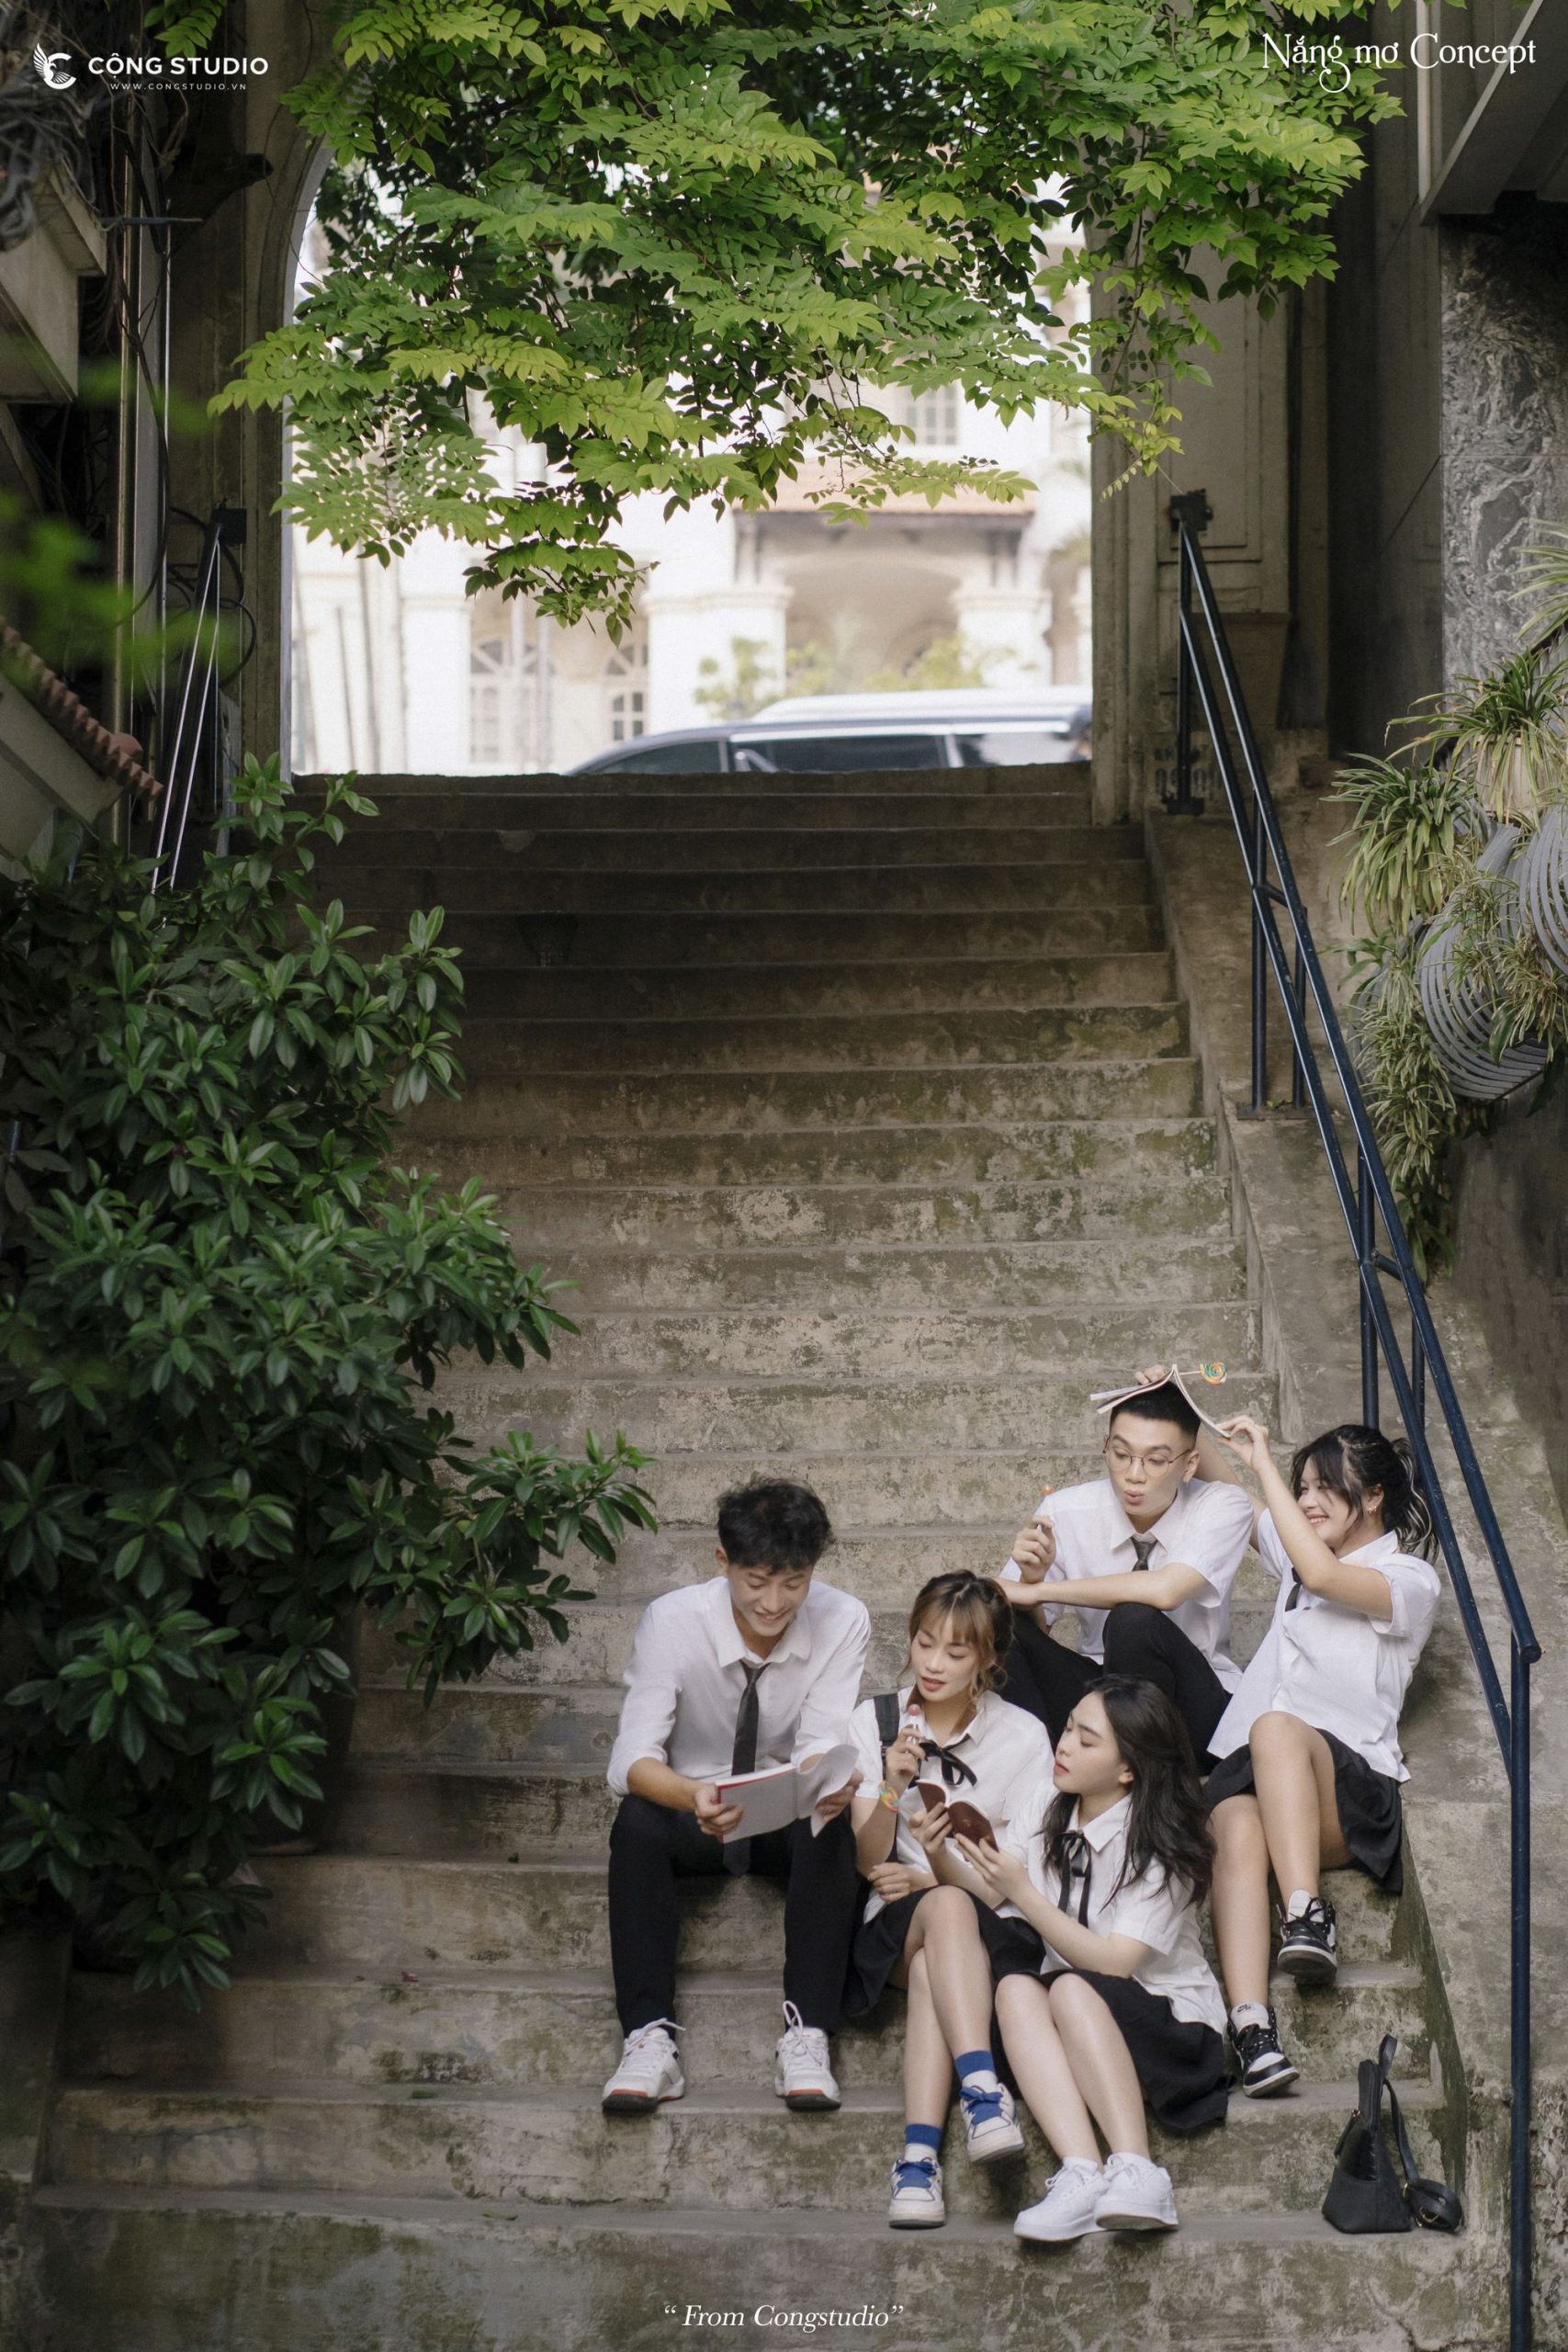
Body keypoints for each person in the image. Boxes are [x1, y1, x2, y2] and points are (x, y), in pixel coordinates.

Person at [600, 1478, 866, 2116]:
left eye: (794, 1583)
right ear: (723, 1562)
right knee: (636, 1821)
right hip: (692, 1809)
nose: (774, 1603)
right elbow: (631, 1759)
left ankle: (808, 2034)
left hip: (781, 1814)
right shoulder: (672, 1620)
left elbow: (821, 1739)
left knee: (832, 1819)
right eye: (756, 1582)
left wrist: (828, 1779)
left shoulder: (843, 1618)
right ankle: (648, 2038)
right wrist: (694, 1795)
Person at [1199, 1418, 1440, 2098]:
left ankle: (1306, 1911)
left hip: (1350, 1793)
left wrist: (1268, 1465)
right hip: (1273, 1786)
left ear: (1372, 1497)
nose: (1305, 1500)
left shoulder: (1408, 1580)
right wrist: (1183, 1409)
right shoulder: (1303, 1558)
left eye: (1322, 1487)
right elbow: (1244, 1503)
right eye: (1300, 1487)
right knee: (1234, 1822)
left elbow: (1322, 1573)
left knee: (1275, 1728)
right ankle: (1252, 2030)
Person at [958, 1678, 1229, 2242]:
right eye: (1067, 1729)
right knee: (1015, 1989)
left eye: (1086, 1740)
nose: (1064, 1746)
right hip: (1075, 2021)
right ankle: (1081, 2172)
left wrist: (1024, 1892)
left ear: (1128, 1768)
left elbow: (1115, 1964)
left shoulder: (1165, 1839)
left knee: (1068, 1985)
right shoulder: (1046, 1800)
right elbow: (986, 1887)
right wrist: (937, 1847)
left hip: (1173, 2031)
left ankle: (1139, 2170)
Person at [842, 1572, 1052, 2228]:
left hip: (988, 1925)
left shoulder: (1022, 1736)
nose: (933, 1664)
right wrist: (890, 1784)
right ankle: (983, 2092)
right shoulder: (874, 1721)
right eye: (924, 1643)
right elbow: (866, 1861)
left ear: (987, 1659)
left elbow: (999, 1884)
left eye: (956, 1652)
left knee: (947, 1931)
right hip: (893, 1927)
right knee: (942, 1921)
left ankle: (918, 2159)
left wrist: (933, 1872)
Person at [995, 1374, 1254, 1761]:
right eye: (1121, 1454)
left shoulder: (1223, 1505)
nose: (1134, 1474)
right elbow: (1035, 1632)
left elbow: (1165, 1590)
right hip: (1096, 1689)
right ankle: (1037, 1770)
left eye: (1156, 1461)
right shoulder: (1066, 1510)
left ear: (1190, 1464)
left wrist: (1037, 1590)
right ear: (1105, 1447)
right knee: (997, 1622)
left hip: (1187, 1703)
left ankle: (1150, 1781)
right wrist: (1032, 1579)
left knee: (1134, 1620)